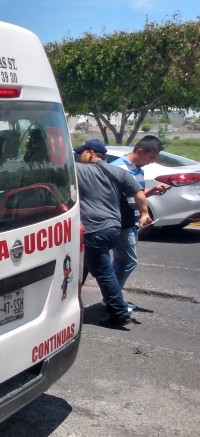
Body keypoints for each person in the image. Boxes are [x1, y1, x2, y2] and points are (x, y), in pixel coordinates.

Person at [74, 139, 152, 328]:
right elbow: (139, 193)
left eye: (81, 152)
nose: (79, 156)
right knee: (82, 266)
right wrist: (144, 214)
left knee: (103, 271)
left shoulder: (79, 169)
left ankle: (119, 313)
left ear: (90, 153)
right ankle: (71, 303)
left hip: (94, 229)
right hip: (114, 228)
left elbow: (54, 167)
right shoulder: (118, 171)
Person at [109, 136, 169, 303]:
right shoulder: (118, 168)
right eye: (151, 157)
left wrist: (152, 191)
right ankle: (112, 299)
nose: (152, 162)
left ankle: (112, 296)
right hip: (121, 222)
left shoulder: (138, 169)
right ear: (140, 151)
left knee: (122, 262)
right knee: (128, 261)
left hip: (133, 221)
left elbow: (135, 195)